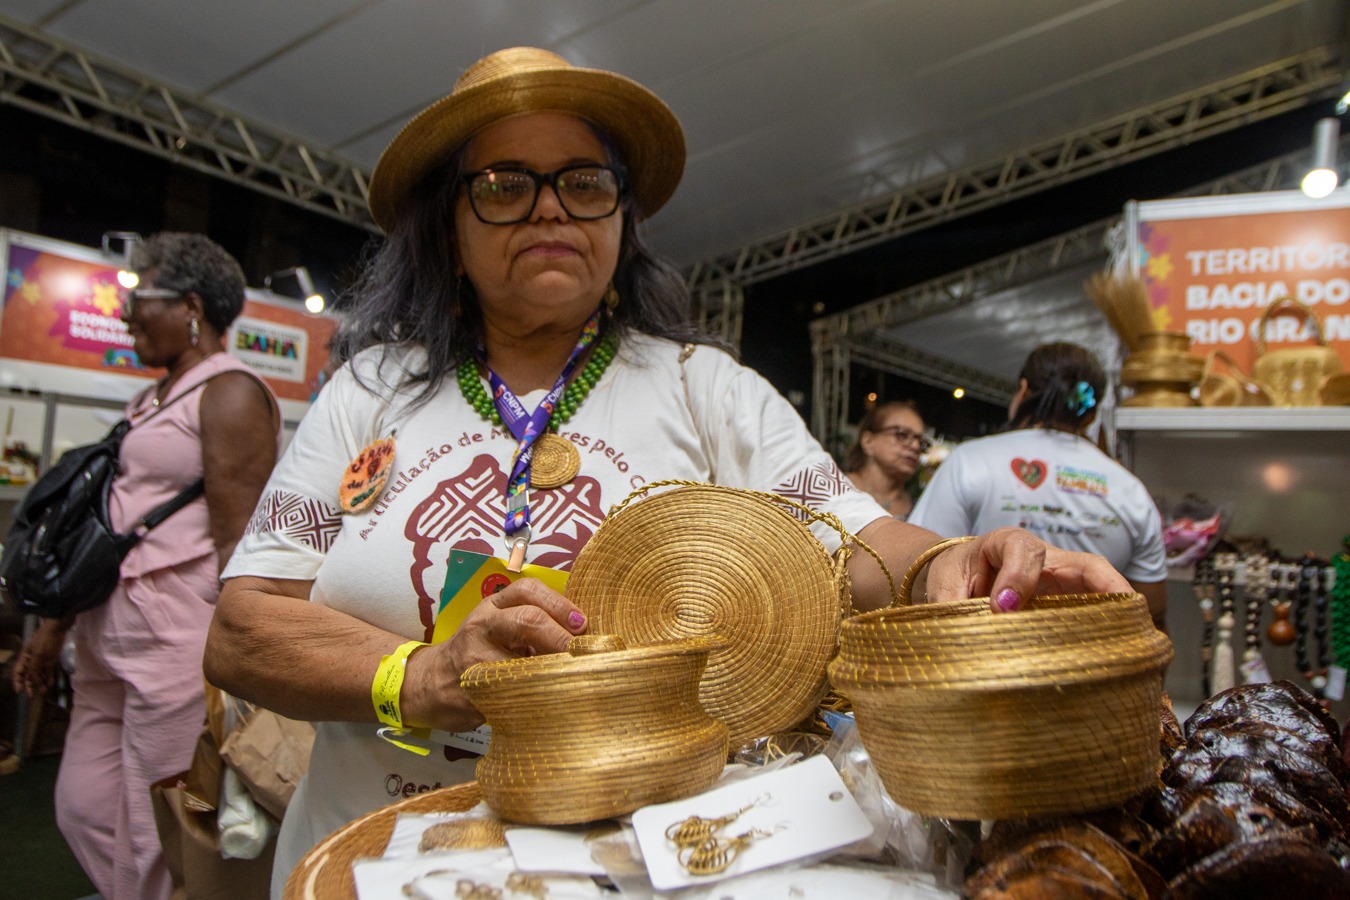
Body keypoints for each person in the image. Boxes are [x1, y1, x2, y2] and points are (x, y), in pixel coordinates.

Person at [200, 47, 1131, 894]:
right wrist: (423, 674)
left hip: (626, 869)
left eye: (584, 181)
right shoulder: (373, 394)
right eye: (503, 185)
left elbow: (854, 532)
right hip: (372, 866)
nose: (552, 206)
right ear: (447, 223)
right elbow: (247, 629)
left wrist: (948, 568)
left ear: (622, 217)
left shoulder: (704, 391)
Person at [11, 233, 282, 900]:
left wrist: (241, 663)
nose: (129, 315)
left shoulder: (230, 394)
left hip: (175, 646)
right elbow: (107, 529)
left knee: (153, 825)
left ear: (191, 307)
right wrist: (54, 629)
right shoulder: (151, 400)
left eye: (143, 300)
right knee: (81, 804)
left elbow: (240, 544)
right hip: (105, 638)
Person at [910, 341, 1168, 630]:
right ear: (1091, 414)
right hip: (1095, 663)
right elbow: (1152, 609)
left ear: (1023, 390)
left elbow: (922, 563)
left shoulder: (971, 461)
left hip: (979, 659)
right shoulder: (1129, 488)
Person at [844, 400, 927, 520]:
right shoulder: (832, 489)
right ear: (868, 441)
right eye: (902, 435)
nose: (915, 446)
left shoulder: (919, 511)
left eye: (921, 442)